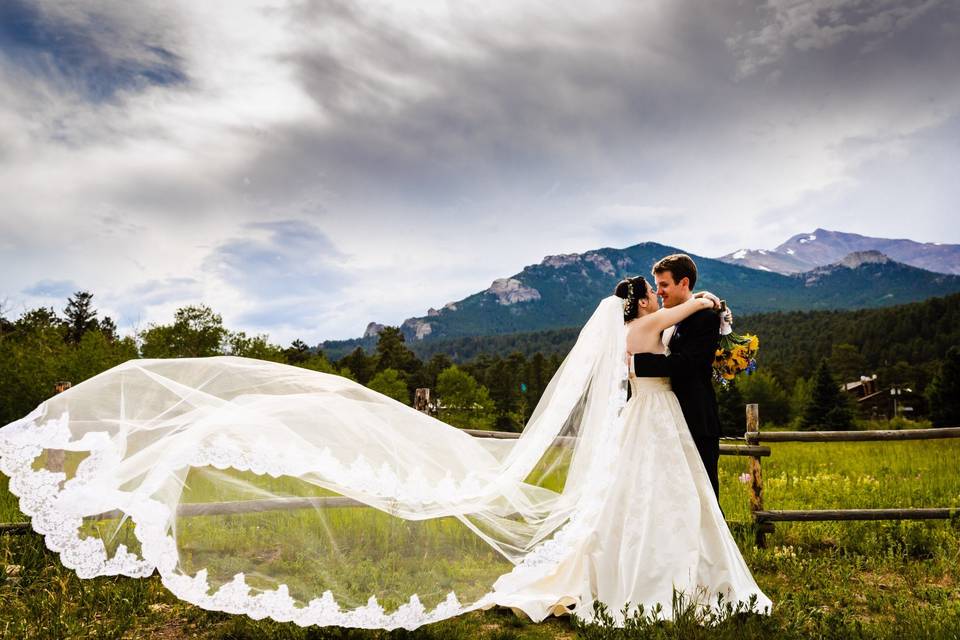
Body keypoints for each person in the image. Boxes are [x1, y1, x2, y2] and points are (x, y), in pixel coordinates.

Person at [0, 281, 768, 631]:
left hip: (650, 429)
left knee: (638, 503)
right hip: (654, 425)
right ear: (638, 307)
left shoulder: (640, 330)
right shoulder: (645, 331)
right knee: (645, 503)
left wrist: (696, 322)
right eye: (655, 295)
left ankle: (653, 575)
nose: (662, 300)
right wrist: (705, 306)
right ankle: (662, 581)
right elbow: (674, 339)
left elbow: (674, 353)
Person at [633, 254, 725, 499]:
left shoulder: (705, 318)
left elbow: (686, 364)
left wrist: (634, 364)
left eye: (664, 285)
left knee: (703, 493)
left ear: (684, 283)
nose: (660, 292)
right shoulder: (667, 320)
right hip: (664, 420)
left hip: (695, 417)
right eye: (657, 286)